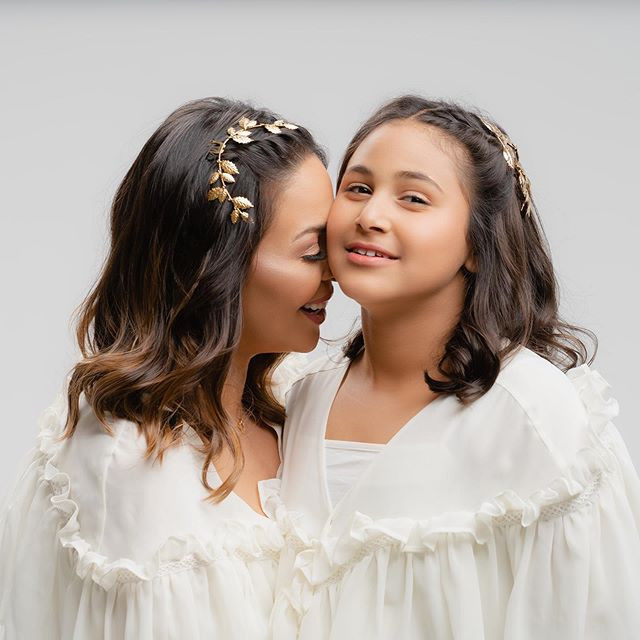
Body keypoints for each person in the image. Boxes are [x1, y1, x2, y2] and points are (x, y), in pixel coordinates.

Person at [269, 95, 640, 639]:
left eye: (414, 198)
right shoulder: (292, 396)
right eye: (358, 188)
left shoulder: (535, 417)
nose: (371, 217)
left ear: (477, 242)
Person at [0, 97, 334, 639]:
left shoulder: (294, 404)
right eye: (313, 251)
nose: (336, 271)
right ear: (216, 264)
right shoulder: (130, 462)